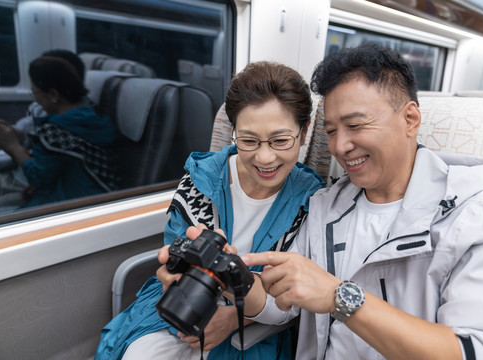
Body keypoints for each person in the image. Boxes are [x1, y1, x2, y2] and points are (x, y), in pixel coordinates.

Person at [172, 43, 483, 359]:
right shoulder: (326, 206)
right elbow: (280, 307)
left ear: (410, 119)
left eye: (356, 125)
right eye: (331, 130)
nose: (340, 146)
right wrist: (231, 274)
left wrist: (340, 297)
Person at [95, 61, 325, 360]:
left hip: (253, 324)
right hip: (182, 306)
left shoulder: (312, 202)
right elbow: (175, 258)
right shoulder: (202, 177)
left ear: (304, 133)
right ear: (234, 133)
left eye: (281, 140)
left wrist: (232, 315)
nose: (265, 157)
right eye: (248, 140)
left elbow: (288, 304)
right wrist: (173, 272)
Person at [0, 55, 116, 208]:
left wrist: (13, 147)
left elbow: (37, 177)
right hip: (92, 195)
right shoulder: (90, 120)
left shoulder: (55, 131)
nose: (35, 100)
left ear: (53, 95)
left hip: (71, 204)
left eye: (35, 94)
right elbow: (62, 168)